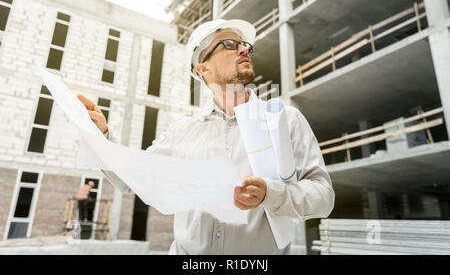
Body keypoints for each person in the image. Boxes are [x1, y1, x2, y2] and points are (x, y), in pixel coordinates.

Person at [77, 19, 335, 254]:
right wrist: (101, 138)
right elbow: (134, 179)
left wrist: (270, 194)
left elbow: (323, 197)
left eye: (244, 45)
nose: (244, 49)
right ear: (203, 69)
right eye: (230, 44)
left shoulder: (285, 120)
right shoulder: (182, 131)